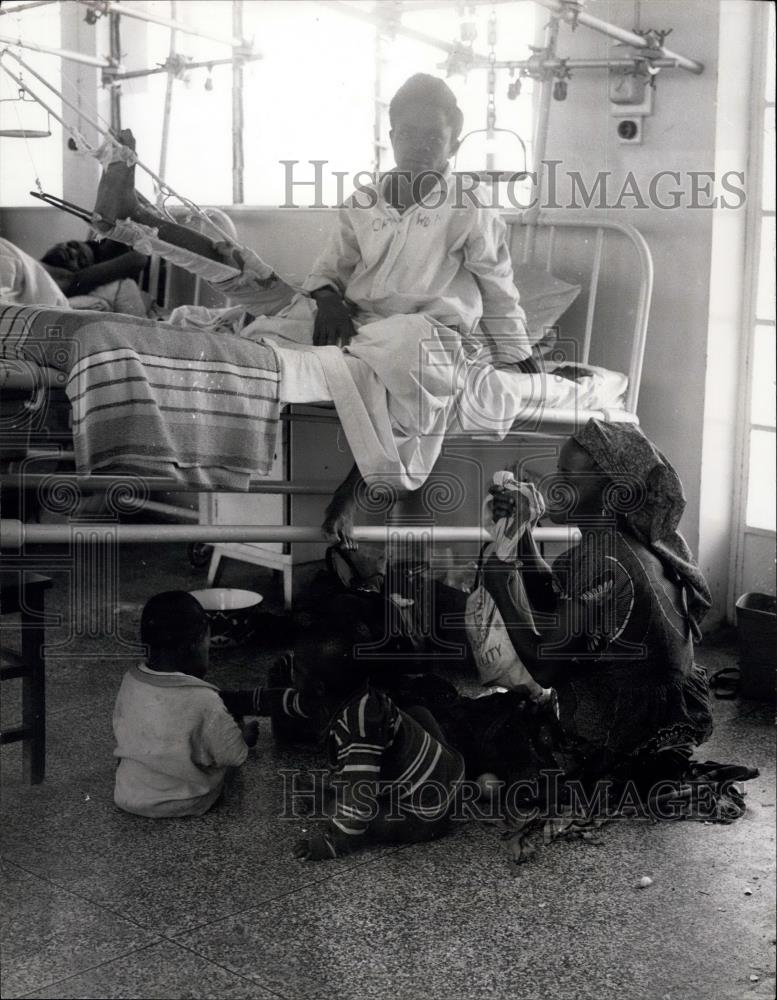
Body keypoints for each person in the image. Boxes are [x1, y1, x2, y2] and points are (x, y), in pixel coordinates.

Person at [91, 74, 537, 547]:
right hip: (360, 323)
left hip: (428, 333)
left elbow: (497, 282)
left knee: (414, 352)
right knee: (267, 293)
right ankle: (134, 220)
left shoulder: (470, 206)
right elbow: (329, 272)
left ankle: (353, 491)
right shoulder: (364, 202)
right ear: (391, 137)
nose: (420, 146)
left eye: (434, 137)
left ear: (455, 144)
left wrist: (517, 350)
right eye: (408, 134)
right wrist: (326, 301)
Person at [482, 419, 715, 789]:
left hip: (624, 732)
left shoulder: (603, 559)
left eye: (569, 478)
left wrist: (501, 590)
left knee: (481, 736)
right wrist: (523, 532)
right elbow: (555, 603)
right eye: (557, 471)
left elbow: (546, 667)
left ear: (612, 493)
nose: (553, 485)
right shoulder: (624, 541)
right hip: (661, 719)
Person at [221, 619, 465, 859]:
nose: (291, 672)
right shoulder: (339, 695)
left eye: (298, 669)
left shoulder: (360, 728)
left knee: (363, 811)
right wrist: (229, 699)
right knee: (418, 714)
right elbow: (278, 701)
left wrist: (333, 842)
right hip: (448, 772)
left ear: (317, 687)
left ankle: (331, 806)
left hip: (428, 815)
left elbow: (360, 798)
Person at [112, 591, 258, 818]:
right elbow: (235, 755)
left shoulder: (130, 680)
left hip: (128, 795)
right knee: (226, 766)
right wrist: (243, 736)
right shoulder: (204, 700)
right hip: (186, 802)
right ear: (193, 646)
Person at [40, 238, 148, 316]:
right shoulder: (32, 264)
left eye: (81, 261)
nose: (71, 251)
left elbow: (138, 258)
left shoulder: (69, 280)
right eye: (71, 244)